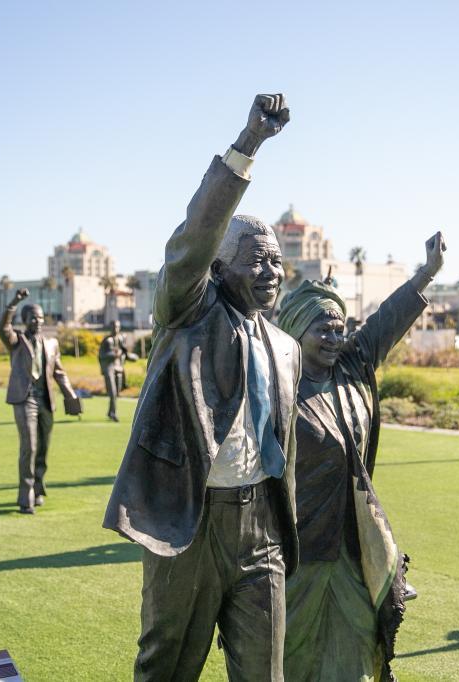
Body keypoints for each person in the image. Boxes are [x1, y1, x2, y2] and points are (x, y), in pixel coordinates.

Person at [103, 94, 300, 681]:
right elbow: (194, 237)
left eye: (276, 261)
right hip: (190, 525)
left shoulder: (285, 348)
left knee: (265, 673)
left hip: (262, 529)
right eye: (255, 260)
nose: (270, 272)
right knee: (167, 667)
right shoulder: (187, 315)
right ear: (218, 268)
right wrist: (248, 145)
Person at [276, 233, 446, 681]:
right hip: (297, 549)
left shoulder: (352, 367)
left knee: (357, 646)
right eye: (323, 329)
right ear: (296, 330)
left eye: (340, 328)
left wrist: (426, 273)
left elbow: (387, 321)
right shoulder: (274, 384)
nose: (335, 338)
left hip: (352, 545)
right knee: (289, 653)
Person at [0, 289, 81, 514]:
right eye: (34, 318)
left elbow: (59, 372)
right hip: (25, 400)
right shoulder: (16, 341)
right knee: (30, 447)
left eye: (41, 317)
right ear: (25, 320)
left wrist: (71, 395)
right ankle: (25, 497)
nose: (38, 321)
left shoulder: (51, 343)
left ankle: (37, 487)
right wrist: (14, 301)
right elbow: (2, 327)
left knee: (43, 447)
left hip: (45, 400)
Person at [98, 320, 136, 422]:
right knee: (113, 392)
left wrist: (132, 357)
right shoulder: (107, 341)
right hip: (109, 369)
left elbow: (124, 353)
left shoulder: (120, 339)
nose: (116, 329)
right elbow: (102, 355)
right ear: (110, 328)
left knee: (117, 392)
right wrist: (115, 354)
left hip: (118, 369)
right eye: (114, 327)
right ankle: (113, 414)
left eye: (118, 327)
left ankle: (110, 412)